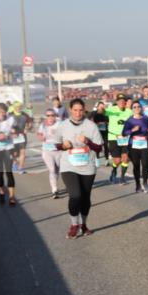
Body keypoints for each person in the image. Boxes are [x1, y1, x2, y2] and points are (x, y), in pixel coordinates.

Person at [56, 98, 103, 238]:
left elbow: (99, 147)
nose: (78, 113)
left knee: (85, 198)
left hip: (87, 165)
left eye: (80, 110)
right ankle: (74, 224)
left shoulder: (91, 126)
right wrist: (63, 146)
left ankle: (83, 224)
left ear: (84, 110)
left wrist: (87, 141)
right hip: (68, 166)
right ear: (70, 110)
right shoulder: (63, 125)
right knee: (75, 195)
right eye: (75, 110)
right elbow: (55, 144)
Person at [122, 101, 148, 193]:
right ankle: (137, 185)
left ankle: (145, 183)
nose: (137, 108)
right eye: (134, 107)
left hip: (145, 144)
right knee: (136, 166)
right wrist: (132, 130)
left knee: (145, 164)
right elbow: (124, 133)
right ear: (132, 109)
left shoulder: (146, 118)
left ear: (141, 108)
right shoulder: (129, 120)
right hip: (133, 146)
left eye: (138, 107)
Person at [105, 94, 133, 184]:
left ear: (125, 102)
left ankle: (122, 177)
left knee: (125, 158)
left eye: (123, 100)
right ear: (116, 102)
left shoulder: (129, 112)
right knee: (117, 160)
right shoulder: (111, 110)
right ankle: (114, 171)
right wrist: (101, 108)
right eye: (119, 100)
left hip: (125, 138)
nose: (121, 102)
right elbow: (101, 113)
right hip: (113, 137)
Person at [37, 108, 63, 198]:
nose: (50, 117)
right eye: (48, 115)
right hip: (47, 151)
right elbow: (39, 134)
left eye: (52, 115)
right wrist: (41, 137)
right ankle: (54, 190)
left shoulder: (60, 124)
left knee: (57, 170)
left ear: (55, 116)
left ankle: (55, 186)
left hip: (59, 150)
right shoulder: (43, 125)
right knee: (52, 170)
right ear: (46, 116)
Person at [10, 102, 33, 175]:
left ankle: (21, 168)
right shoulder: (10, 115)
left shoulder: (24, 115)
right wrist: (11, 131)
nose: (18, 108)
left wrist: (28, 128)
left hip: (22, 136)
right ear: (14, 107)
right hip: (13, 136)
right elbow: (5, 125)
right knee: (14, 153)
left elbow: (30, 123)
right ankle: (14, 163)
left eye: (19, 106)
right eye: (16, 106)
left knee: (22, 152)